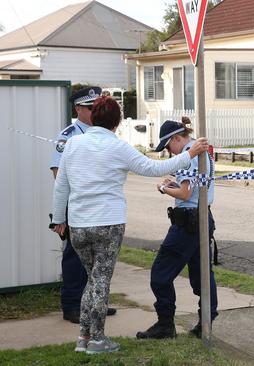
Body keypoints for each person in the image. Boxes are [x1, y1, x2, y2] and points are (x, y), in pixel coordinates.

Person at [51, 97, 210, 354]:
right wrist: (189, 155)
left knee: (92, 280)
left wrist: (58, 219)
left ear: (92, 117)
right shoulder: (118, 147)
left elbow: (61, 186)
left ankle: (83, 336)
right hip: (108, 223)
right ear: (116, 122)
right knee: (100, 282)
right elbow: (153, 167)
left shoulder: (72, 144)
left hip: (78, 223)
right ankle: (97, 340)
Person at [136, 117, 218, 340]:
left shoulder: (189, 155)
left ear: (177, 138)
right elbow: (188, 188)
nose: (170, 154)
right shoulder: (200, 151)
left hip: (188, 223)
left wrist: (163, 188)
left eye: (168, 147)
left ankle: (165, 325)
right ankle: (207, 321)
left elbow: (184, 194)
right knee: (201, 275)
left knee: (160, 274)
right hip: (200, 217)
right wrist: (175, 185)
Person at [49, 86, 117, 324]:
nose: (96, 111)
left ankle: (95, 302)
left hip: (99, 205)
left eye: (98, 106)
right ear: (78, 109)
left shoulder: (106, 132)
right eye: (91, 108)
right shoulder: (69, 136)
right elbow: (58, 173)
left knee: (99, 257)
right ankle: (71, 305)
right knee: (74, 257)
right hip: (77, 203)